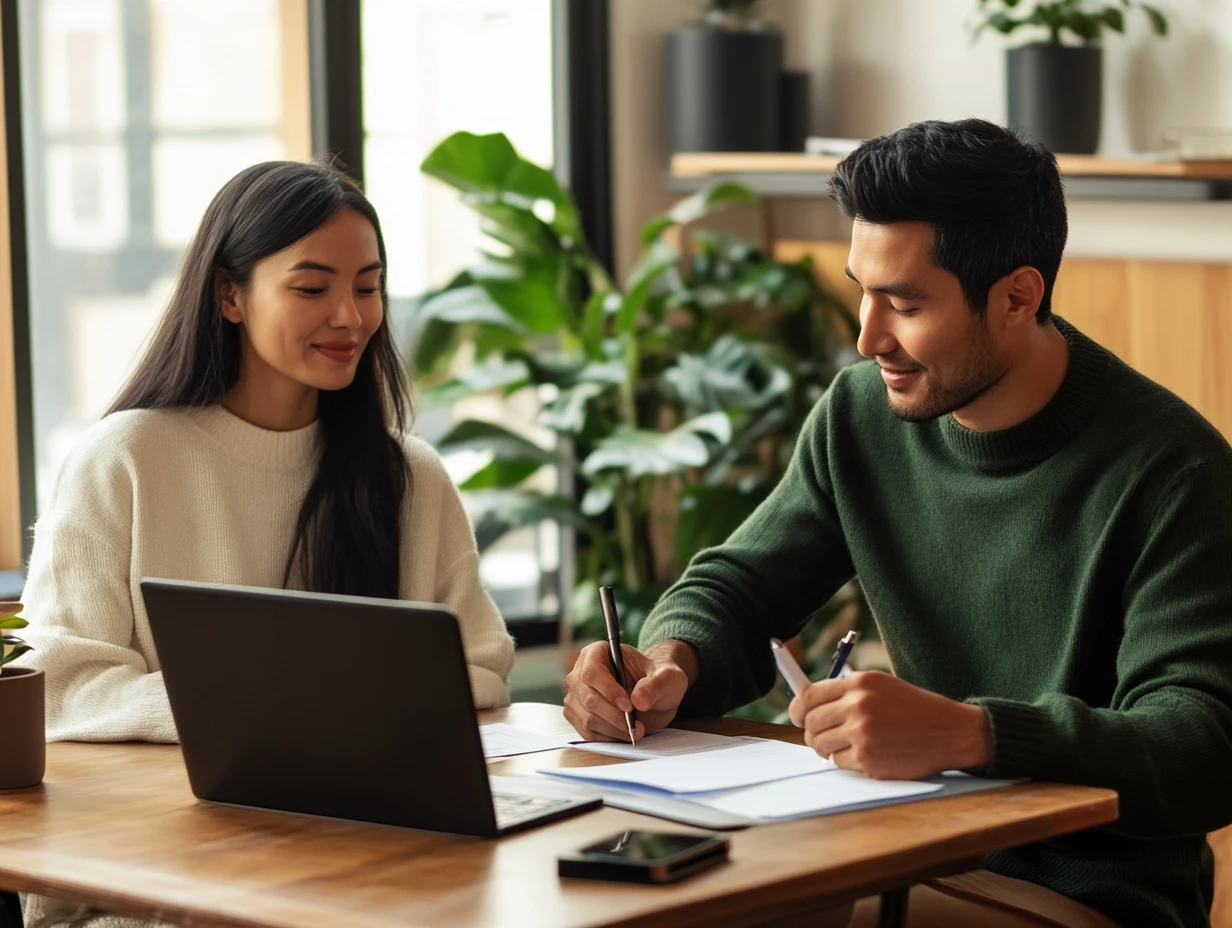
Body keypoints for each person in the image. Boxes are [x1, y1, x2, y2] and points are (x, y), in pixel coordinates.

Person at [564, 119, 1232, 928]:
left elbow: (1205, 745)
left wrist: (976, 735)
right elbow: (738, 586)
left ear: (1019, 297)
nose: (868, 336)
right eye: (862, 290)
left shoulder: (1174, 470)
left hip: (1076, 897)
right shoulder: (861, 417)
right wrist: (672, 660)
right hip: (891, 846)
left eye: (905, 304)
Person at [20, 159, 515, 749]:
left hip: (374, 813)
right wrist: (274, 707)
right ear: (230, 295)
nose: (351, 317)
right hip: (175, 820)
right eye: (312, 288)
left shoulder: (411, 475)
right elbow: (61, 684)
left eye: (367, 287)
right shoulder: (124, 458)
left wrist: (292, 704)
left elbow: (481, 666)